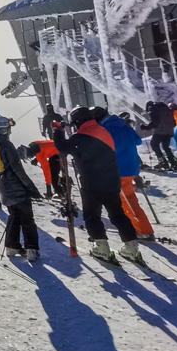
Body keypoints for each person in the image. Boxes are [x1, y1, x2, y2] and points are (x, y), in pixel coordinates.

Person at [53, 106, 141, 262]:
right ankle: (131, 247)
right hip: (112, 181)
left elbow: (62, 147)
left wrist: (57, 131)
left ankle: (101, 248)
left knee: (92, 215)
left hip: (92, 184)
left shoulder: (80, 138)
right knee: (117, 214)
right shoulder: (104, 132)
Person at [0, 116, 42, 259]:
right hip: (16, 187)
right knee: (28, 220)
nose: (10, 131)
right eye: (8, 128)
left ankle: (12, 246)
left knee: (14, 216)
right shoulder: (6, 144)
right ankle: (32, 250)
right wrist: (31, 188)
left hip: (2, 187)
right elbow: (18, 169)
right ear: (3, 128)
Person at [97, 107, 155, 240]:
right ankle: (142, 229)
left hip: (120, 170)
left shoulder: (106, 130)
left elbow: (108, 150)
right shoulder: (123, 125)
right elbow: (138, 141)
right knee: (129, 198)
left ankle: (142, 230)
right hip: (132, 167)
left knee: (126, 202)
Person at [141, 100, 177, 171]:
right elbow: (174, 123)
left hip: (160, 131)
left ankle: (163, 162)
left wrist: (145, 127)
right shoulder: (166, 108)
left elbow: (155, 122)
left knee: (154, 144)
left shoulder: (153, 108)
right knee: (166, 147)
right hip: (169, 130)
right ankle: (174, 164)